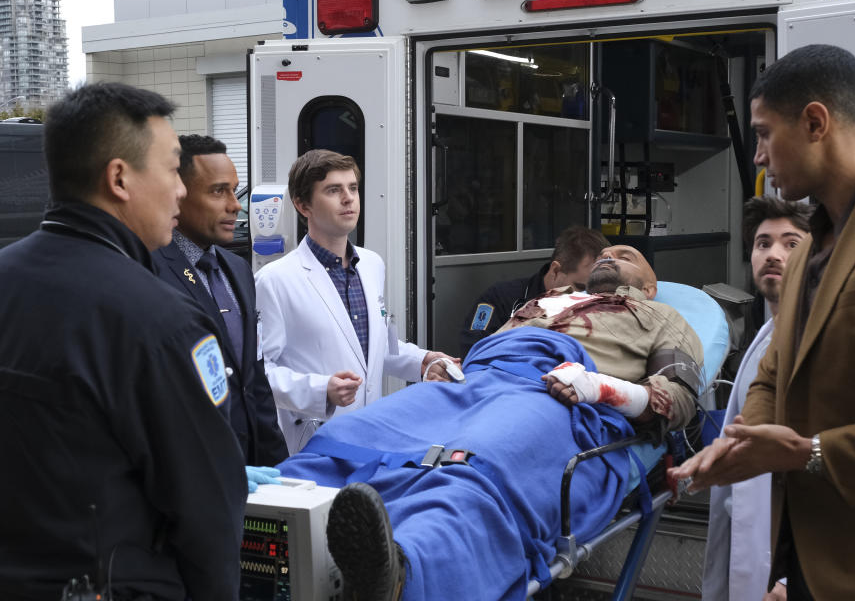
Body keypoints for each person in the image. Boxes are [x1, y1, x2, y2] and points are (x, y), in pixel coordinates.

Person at [670, 44, 855, 600]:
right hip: (811, 560)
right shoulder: (812, 246)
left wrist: (815, 453)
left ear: (814, 122)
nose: (757, 156)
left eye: (762, 133)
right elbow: (776, 371)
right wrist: (737, 444)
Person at [280, 244, 705, 601]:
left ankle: (404, 572)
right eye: (605, 253)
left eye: (625, 255)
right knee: (355, 434)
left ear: (650, 287)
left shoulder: (663, 319)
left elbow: (678, 397)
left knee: (472, 464)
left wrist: (599, 389)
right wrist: (454, 367)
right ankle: (264, 523)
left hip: (554, 394)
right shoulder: (544, 303)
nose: (609, 254)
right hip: (476, 381)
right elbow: (492, 346)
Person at [0, 83, 245, 599]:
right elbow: (207, 513)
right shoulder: (162, 322)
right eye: (172, 168)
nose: (181, 189)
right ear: (119, 178)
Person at [256, 149, 458, 454]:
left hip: (371, 433)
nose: (348, 198)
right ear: (302, 205)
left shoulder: (372, 265)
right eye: (333, 190)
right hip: (315, 441)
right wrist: (320, 389)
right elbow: (260, 373)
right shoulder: (275, 280)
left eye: (353, 188)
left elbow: (377, 350)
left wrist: (422, 361)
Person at [153, 135, 288, 469]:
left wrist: (279, 468)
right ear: (178, 195)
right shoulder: (151, 271)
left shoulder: (237, 269)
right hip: (195, 472)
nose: (236, 204)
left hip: (250, 467)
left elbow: (254, 380)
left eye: (234, 189)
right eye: (218, 191)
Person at [702, 196, 811, 601]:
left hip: (796, 567)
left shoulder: (823, 340)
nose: (773, 255)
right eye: (763, 243)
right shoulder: (766, 337)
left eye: (791, 244)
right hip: (754, 545)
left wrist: (786, 578)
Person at [458, 225, 609, 357]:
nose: (587, 299)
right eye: (580, 289)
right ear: (555, 271)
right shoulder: (501, 298)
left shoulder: (607, 308)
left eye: (595, 292)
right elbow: (474, 347)